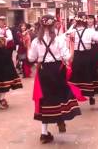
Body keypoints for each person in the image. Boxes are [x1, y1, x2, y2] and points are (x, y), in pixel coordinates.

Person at [28, 15, 82, 144]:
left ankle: (43, 133)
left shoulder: (36, 41)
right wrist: (73, 47)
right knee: (61, 96)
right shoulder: (58, 40)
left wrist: (28, 46)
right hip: (57, 70)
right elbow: (68, 57)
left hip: (44, 71)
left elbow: (31, 58)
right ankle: (60, 119)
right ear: (53, 26)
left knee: (45, 99)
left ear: (41, 26)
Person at [68, 16, 98, 105]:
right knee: (90, 76)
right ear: (85, 23)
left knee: (76, 76)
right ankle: (91, 96)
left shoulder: (72, 32)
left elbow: (63, 37)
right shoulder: (90, 31)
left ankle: (75, 95)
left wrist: (72, 26)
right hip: (88, 57)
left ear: (76, 23)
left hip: (76, 57)